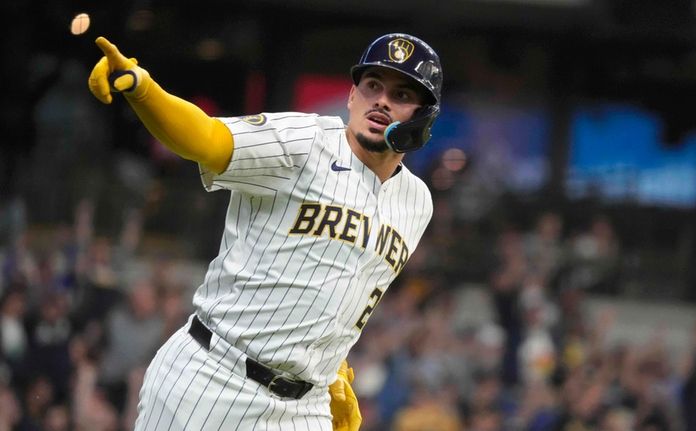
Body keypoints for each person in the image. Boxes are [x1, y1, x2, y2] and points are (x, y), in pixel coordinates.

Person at [87, 31, 442, 430]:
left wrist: (332, 365)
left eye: (401, 95)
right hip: (214, 378)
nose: (381, 100)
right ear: (351, 96)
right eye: (372, 86)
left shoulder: (417, 203)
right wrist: (142, 88)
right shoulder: (304, 142)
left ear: (424, 117)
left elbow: (345, 285)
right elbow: (207, 138)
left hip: (303, 406)